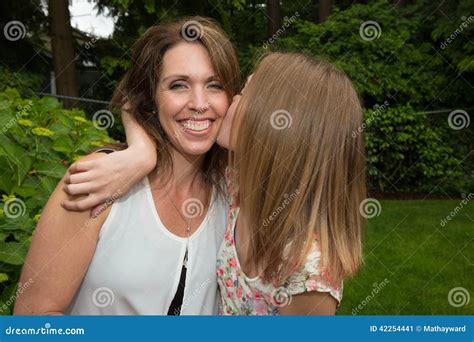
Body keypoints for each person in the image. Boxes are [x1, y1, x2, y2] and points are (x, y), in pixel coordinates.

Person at [61, 52, 366, 315]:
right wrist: (142, 155)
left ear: (278, 127)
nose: (231, 99)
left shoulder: (309, 273)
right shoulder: (235, 188)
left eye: (245, 93)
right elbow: (132, 98)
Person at [14, 16, 240, 315]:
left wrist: (144, 153)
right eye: (179, 85)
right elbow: (32, 322)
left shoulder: (235, 191)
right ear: (151, 98)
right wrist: (144, 155)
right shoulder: (95, 181)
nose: (199, 102)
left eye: (214, 85)